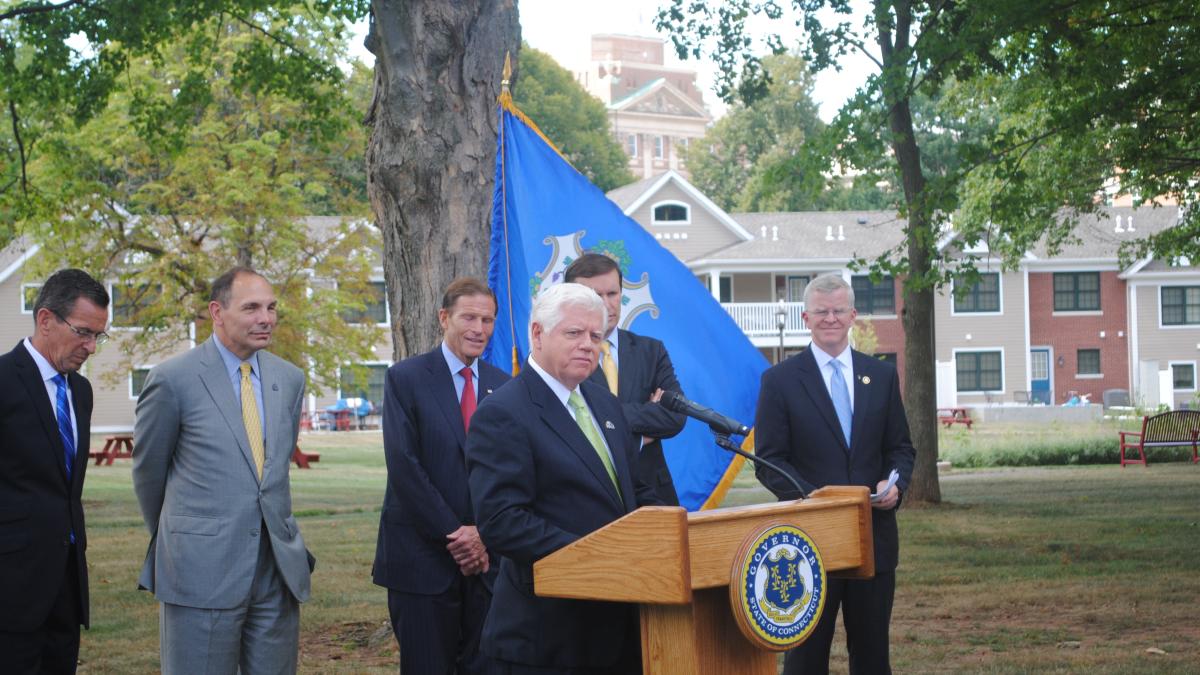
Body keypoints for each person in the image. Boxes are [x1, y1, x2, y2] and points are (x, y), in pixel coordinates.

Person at [465, 282, 661, 674]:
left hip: (621, 626)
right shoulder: (503, 411)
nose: (588, 345)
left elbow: (633, 492)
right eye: (574, 333)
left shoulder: (605, 403)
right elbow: (502, 521)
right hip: (548, 635)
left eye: (596, 336)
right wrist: (599, 556)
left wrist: (663, 531)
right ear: (537, 333)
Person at [133, 266, 313, 674]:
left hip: (277, 571)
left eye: (271, 307)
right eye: (251, 308)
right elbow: (149, 474)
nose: (265, 318)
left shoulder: (290, 379)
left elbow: (272, 473)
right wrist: (184, 538)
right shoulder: (172, 379)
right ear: (217, 311)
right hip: (199, 572)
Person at [754, 272, 915, 675]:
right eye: (821, 312)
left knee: (873, 656)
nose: (830, 318)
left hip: (873, 540)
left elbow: (900, 448)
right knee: (806, 659)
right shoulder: (779, 381)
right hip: (809, 546)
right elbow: (769, 460)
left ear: (853, 315)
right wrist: (818, 501)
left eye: (838, 311)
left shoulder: (880, 376)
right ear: (805, 317)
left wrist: (894, 483)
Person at [372, 277, 510, 673]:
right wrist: (458, 535)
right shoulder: (406, 378)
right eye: (469, 317)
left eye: (488, 320)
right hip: (422, 562)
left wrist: (483, 535)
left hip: (487, 564)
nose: (479, 329)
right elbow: (404, 465)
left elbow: (510, 472)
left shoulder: (505, 387)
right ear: (443, 317)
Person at [0, 269, 109, 674]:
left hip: (65, 586)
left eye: (99, 335)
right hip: (11, 591)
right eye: (83, 332)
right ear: (46, 320)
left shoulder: (80, 391)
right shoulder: (3, 381)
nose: (91, 347)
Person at [564, 252, 686, 505]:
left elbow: (675, 416)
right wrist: (644, 426)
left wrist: (602, 418)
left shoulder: (651, 351)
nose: (607, 304)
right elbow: (570, 423)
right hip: (591, 501)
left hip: (654, 497)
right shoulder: (559, 356)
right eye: (595, 296)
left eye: (613, 293)